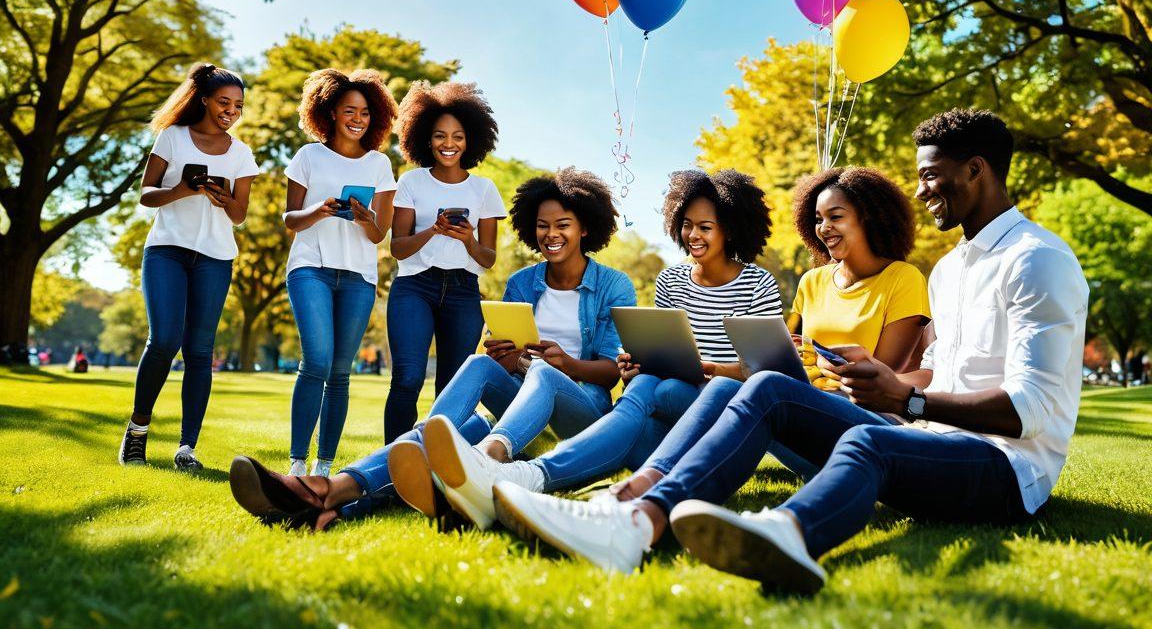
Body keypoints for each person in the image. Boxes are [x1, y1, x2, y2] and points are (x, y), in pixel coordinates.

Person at [494, 109, 1088, 593]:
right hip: (925, 437)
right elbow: (949, 367)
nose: (921, 188)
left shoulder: (1038, 260)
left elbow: (1028, 409)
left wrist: (907, 400)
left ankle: (786, 530)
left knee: (866, 438)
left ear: (977, 169)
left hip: (1006, 469)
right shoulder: (954, 267)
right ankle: (632, 509)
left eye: (931, 175)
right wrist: (888, 375)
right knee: (760, 385)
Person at [226, 168, 634, 531]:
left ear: (585, 229)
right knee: (476, 370)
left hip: (580, 415)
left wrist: (568, 364)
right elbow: (508, 355)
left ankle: (486, 460)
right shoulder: (523, 283)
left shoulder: (614, 285)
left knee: (543, 374)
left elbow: (611, 371)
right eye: (543, 226)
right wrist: (506, 356)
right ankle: (330, 493)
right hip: (519, 408)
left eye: (563, 224)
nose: (551, 234)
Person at [418, 169, 783, 528]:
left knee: (665, 387)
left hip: (718, 405)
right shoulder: (671, 280)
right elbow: (656, 351)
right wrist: (634, 363)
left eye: (705, 227)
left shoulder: (758, 283)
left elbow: (765, 372)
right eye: (687, 224)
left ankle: (520, 473)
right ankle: (422, 459)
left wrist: (707, 368)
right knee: (645, 384)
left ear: (730, 229)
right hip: (658, 419)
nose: (692, 235)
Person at [118, 63, 259, 471]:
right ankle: (137, 431)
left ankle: (186, 449)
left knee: (199, 350)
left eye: (238, 105)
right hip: (167, 250)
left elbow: (239, 215)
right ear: (203, 100)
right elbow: (147, 194)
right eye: (223, 102)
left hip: (215, 257)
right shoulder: (173, 137)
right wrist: (180, 190)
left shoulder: (241, 153)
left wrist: (222, 198)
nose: (231, 110)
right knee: (163, 340)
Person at [283, 68, 398, 477]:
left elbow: (378, 234)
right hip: (310, 267)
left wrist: (365, 217)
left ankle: (323, 467)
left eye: (365, 112)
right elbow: (291, 220)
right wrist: (319, 210)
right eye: (349, 110)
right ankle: (297, 462)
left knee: (340, 371)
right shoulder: (308, 156)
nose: (357, 118)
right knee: (316, 360)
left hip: (358, 277)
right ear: (330, 112)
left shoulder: (380, 164)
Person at [384, 81, 505, 442]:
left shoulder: (483, 190)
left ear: (472, 141)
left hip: (463, 292)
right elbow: (398, 248)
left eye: (457, 136)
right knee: (406, 377)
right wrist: (432, 231)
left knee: (452, 387)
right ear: (425, 138)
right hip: (414, 287)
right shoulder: (411, 182)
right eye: (439, 136)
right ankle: (389, 466)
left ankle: (438, 469)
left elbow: (488, 259)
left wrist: (468, 238)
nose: (448, 144)